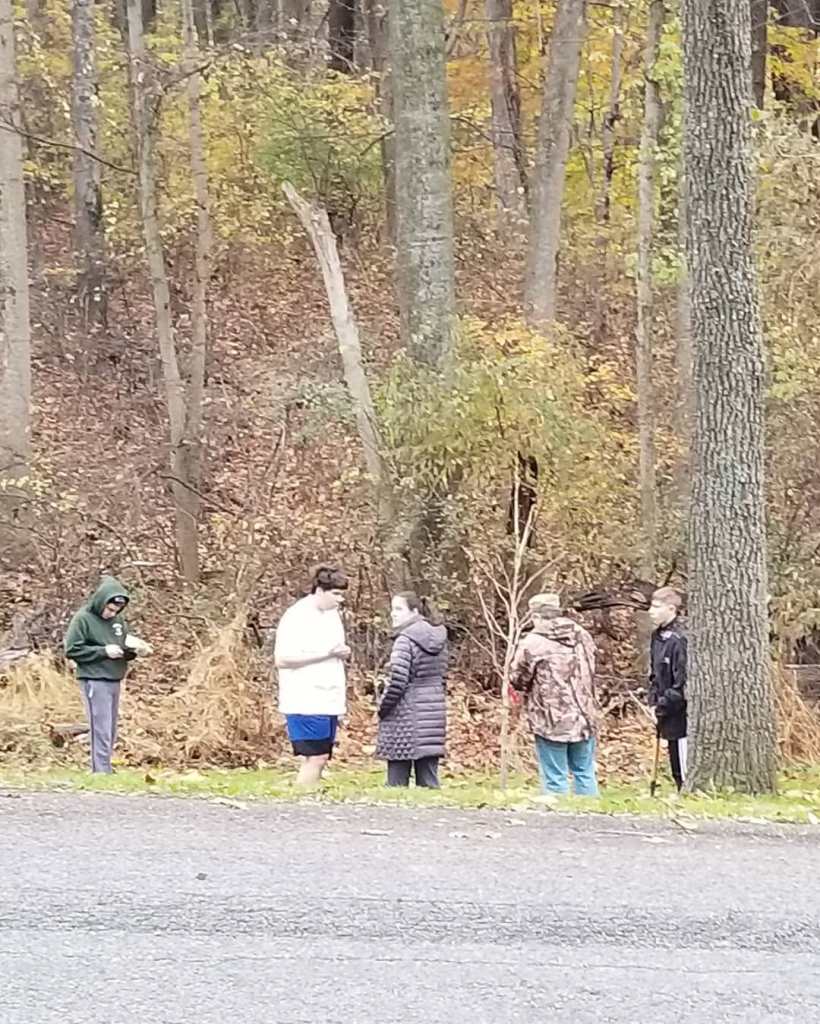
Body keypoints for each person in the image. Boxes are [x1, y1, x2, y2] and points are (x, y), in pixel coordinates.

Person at [510, 593, 599, 796]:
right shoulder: (582, 635)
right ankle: (590, 810)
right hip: (584, 715)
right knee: (584, 772)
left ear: (536, 616)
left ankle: (558, 812)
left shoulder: (533, 642)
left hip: (551, 718)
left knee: (555, 776)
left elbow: (518, 678)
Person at [64, 576, 152, 774]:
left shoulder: (117, 621)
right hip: (94, 678)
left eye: (116, 611)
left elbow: (120, 644)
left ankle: (106, 767)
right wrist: (103, 651)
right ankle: (100, 770)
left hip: (114, 677)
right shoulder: (83, 619)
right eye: (109, 609)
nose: (111, 614)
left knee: (111, 728)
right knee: (100, 727)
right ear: (100, 601)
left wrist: (135, 651)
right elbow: (73, 649)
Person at [274, 565, 350, 786]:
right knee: (315, 756)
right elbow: (283, 659)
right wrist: (327, 654)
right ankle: (301, 797)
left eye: (341, 594)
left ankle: (309, 794)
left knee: (322, 755)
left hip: (328, 699)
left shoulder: (332, 615)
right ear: (319, 590)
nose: (340, 599)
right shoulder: (297, 616)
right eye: (335, 594)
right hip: (305, 698)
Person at [376, 592, 448, 789]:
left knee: (396, 783)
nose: (393, 613)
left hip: (404, 713)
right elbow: (442, 676)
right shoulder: (439, 637)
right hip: (433, 708)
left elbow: (397, 681)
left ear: (415, 611)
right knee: (429, 782)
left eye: (399, 609)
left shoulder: (404, 639)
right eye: (393, 609)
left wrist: (383, 707)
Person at [648, 586, 688, 791]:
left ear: (671, 609)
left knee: (682, 760)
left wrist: (663, 704)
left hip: (681, 712)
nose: (651, 612)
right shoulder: (657, 637)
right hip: (665, 707)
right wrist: (653, 701)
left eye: (657, 607)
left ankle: (686, 791)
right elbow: (655, 674)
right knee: (673, 758)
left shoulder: (680, 639)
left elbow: (682, 682)